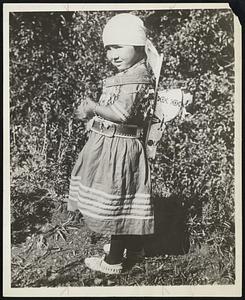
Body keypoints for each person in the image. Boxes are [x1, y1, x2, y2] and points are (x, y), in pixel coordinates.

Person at [67, 13, 160, 274]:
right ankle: (135, 247)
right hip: (114, 143)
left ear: (138, 45)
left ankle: (114, 262)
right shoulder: (133, 73)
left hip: (119, 147)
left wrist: (91, 107)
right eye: (108, 48)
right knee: (125, 196)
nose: (112, 54)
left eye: (118, 46)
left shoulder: (136, 77)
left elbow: (122, 114)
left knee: (118, 199)